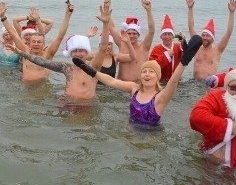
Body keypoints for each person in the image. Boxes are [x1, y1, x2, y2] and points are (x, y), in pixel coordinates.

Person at [72, 35, 202, 126]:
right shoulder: (134, 88)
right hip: (130, 130)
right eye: (144, 71)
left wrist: (184, 62)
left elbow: (173, 81)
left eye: (151, 72)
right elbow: (112, 81)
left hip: (150, 136)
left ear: (157, 76)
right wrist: (92, 72)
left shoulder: (161, 97)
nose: (147, 74)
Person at [10, 33, 108, 101]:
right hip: (66, 103)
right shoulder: (66, 68)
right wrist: (21, 53)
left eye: (81, 50)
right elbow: (41, 62)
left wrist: (106, 22)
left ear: (87, 53)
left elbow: (103, 48)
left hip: (85, 106)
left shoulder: (93, 69)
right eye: (75, 51)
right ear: (70, 53)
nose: (78, 54)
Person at [0, 2, 73, 83]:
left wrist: (67, 16)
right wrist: (3, 17)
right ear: (29, 44)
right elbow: (13, 33)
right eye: (33, 41)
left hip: (42, 90)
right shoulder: (25, 51)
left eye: (39, 42)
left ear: (44, 45)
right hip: (26, 90)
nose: (36, 44)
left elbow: (60, 37)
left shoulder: (48, 54)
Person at [185, 0, 236, 79]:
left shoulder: (217, 51)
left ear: (212, 39)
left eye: (207, 36)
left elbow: (228, 33)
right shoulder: (197, 48)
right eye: (203, 35)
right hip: (194, 84)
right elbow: (191, 27)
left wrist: (231, 13)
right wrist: (190, 9)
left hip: (208, 85)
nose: (204, 37)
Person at [148, 14, 186, 84]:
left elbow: (186, 53)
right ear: (161, 36)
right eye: (165, 34)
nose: (167, 37)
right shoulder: (156, 49)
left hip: (176, 81)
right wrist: (166, 55)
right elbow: (152, 67)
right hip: (162, 82)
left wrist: (183, 42)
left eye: (169, 34)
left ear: (173, 36)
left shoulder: (177, 47)